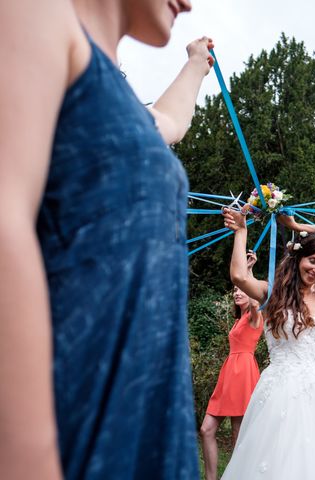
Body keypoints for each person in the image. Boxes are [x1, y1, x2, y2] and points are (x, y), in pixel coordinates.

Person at [1, 1, 213, 478]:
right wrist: (28, 458)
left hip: (147, 413)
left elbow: (168, 121)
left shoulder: (116, 96)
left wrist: (196, 66)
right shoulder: (35, 13)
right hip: (74, 418)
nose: (188, 3)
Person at [219, 208, 315, 479]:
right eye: (313, 261)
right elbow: (238, 276)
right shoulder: (272, 293)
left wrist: (295, 225)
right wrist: (241, 231)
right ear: (298, 258)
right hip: (279, 391)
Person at [200, 253, 263, 480]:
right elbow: (245, 287)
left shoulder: (254, 316)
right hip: (229, 373)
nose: (237, 292)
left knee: (238, 433)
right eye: (235, 290)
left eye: (242, 290)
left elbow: (256, 298)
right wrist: (247, 269)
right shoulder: (239, 319)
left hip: (244, 373)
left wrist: (248, 272)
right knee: (206, 429)